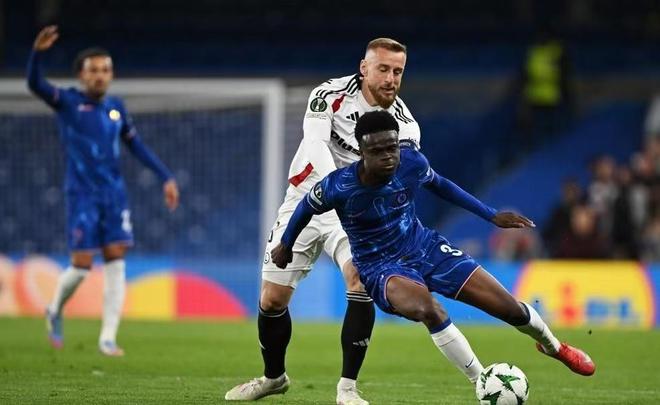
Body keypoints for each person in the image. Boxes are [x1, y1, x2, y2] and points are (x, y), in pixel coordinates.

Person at [271, 111, 595, 397]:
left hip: (424, 247)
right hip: (380, 267)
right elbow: (304, 208)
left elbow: (441, 185)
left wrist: (491, 214)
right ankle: (482, 382)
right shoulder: (338, 186)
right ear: (361, 151)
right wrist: (286, 244)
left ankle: (555, 347)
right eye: (377, 151)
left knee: (510, 309)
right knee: (429, 309)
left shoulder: (411, 162)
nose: (388, 157)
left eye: (391, 148)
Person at [225, 38, 419, 404]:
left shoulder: (406, 126)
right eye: (383, 69)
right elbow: (314, 144)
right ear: (364, 68)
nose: (391, 78)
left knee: (359, 280)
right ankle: (273, 377)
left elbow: (403, 178)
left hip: (356, 212)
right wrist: (337, 188)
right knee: (272, 299)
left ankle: (347, 389)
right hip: (306, 198)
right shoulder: (329, 95)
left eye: (398, 71)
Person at [27, 26, 180, 356]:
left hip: (114, 196)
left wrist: (165, 176)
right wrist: (37, 53)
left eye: (105, 70)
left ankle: (107, 338)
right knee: (81, 265)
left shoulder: (116, 108)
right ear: (81, 75)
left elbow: (136, 145)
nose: (100, 75)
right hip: (81, 195)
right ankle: (54, 308)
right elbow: (36, 85)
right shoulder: (68, 102)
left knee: (116, 261)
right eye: (94, 70)